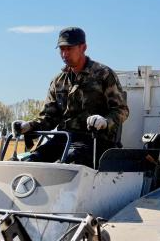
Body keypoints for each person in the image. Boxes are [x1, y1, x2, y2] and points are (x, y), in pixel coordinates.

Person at [16, 27, 129, 167]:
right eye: (61, 49)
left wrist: (105, 121)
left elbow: (121, 110)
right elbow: (49, 117)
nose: (64, 54)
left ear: (83, 48)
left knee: (65, 165)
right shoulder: (58, 81)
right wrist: (29, 126)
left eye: (69, 48)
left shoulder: (103, 75)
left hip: (95, 141)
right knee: (31, 162)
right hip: (64, 139)